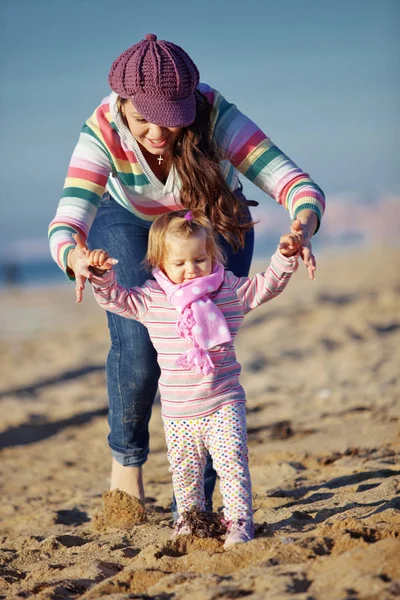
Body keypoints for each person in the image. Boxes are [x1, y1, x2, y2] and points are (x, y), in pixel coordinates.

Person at [48, 33, 325, 512]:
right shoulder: (102, 130)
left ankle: (197, 502)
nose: (157, 133)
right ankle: (127, 465)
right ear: (122, 104)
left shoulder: (216, 116)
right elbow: (68, 220)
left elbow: (299, 185)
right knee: (137, 344)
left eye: (171, 121)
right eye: (143, 121)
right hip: (129, 216)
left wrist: (302, 225)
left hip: (211, 212)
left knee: (209, 346)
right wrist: (73, 256)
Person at [81, 209, 300, 547]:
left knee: (232, 467)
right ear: (160, 262)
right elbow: (115, 299)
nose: (190, 270)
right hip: (179, 412)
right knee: (185, 476)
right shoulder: (151, 299)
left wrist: (284, 258)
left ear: (212, 254)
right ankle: (189, 523)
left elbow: (265, 286)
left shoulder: (228, 291)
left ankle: (239, 524)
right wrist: (100, 276)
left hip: (224, 401)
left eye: (199, 259)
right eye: (179, 263)